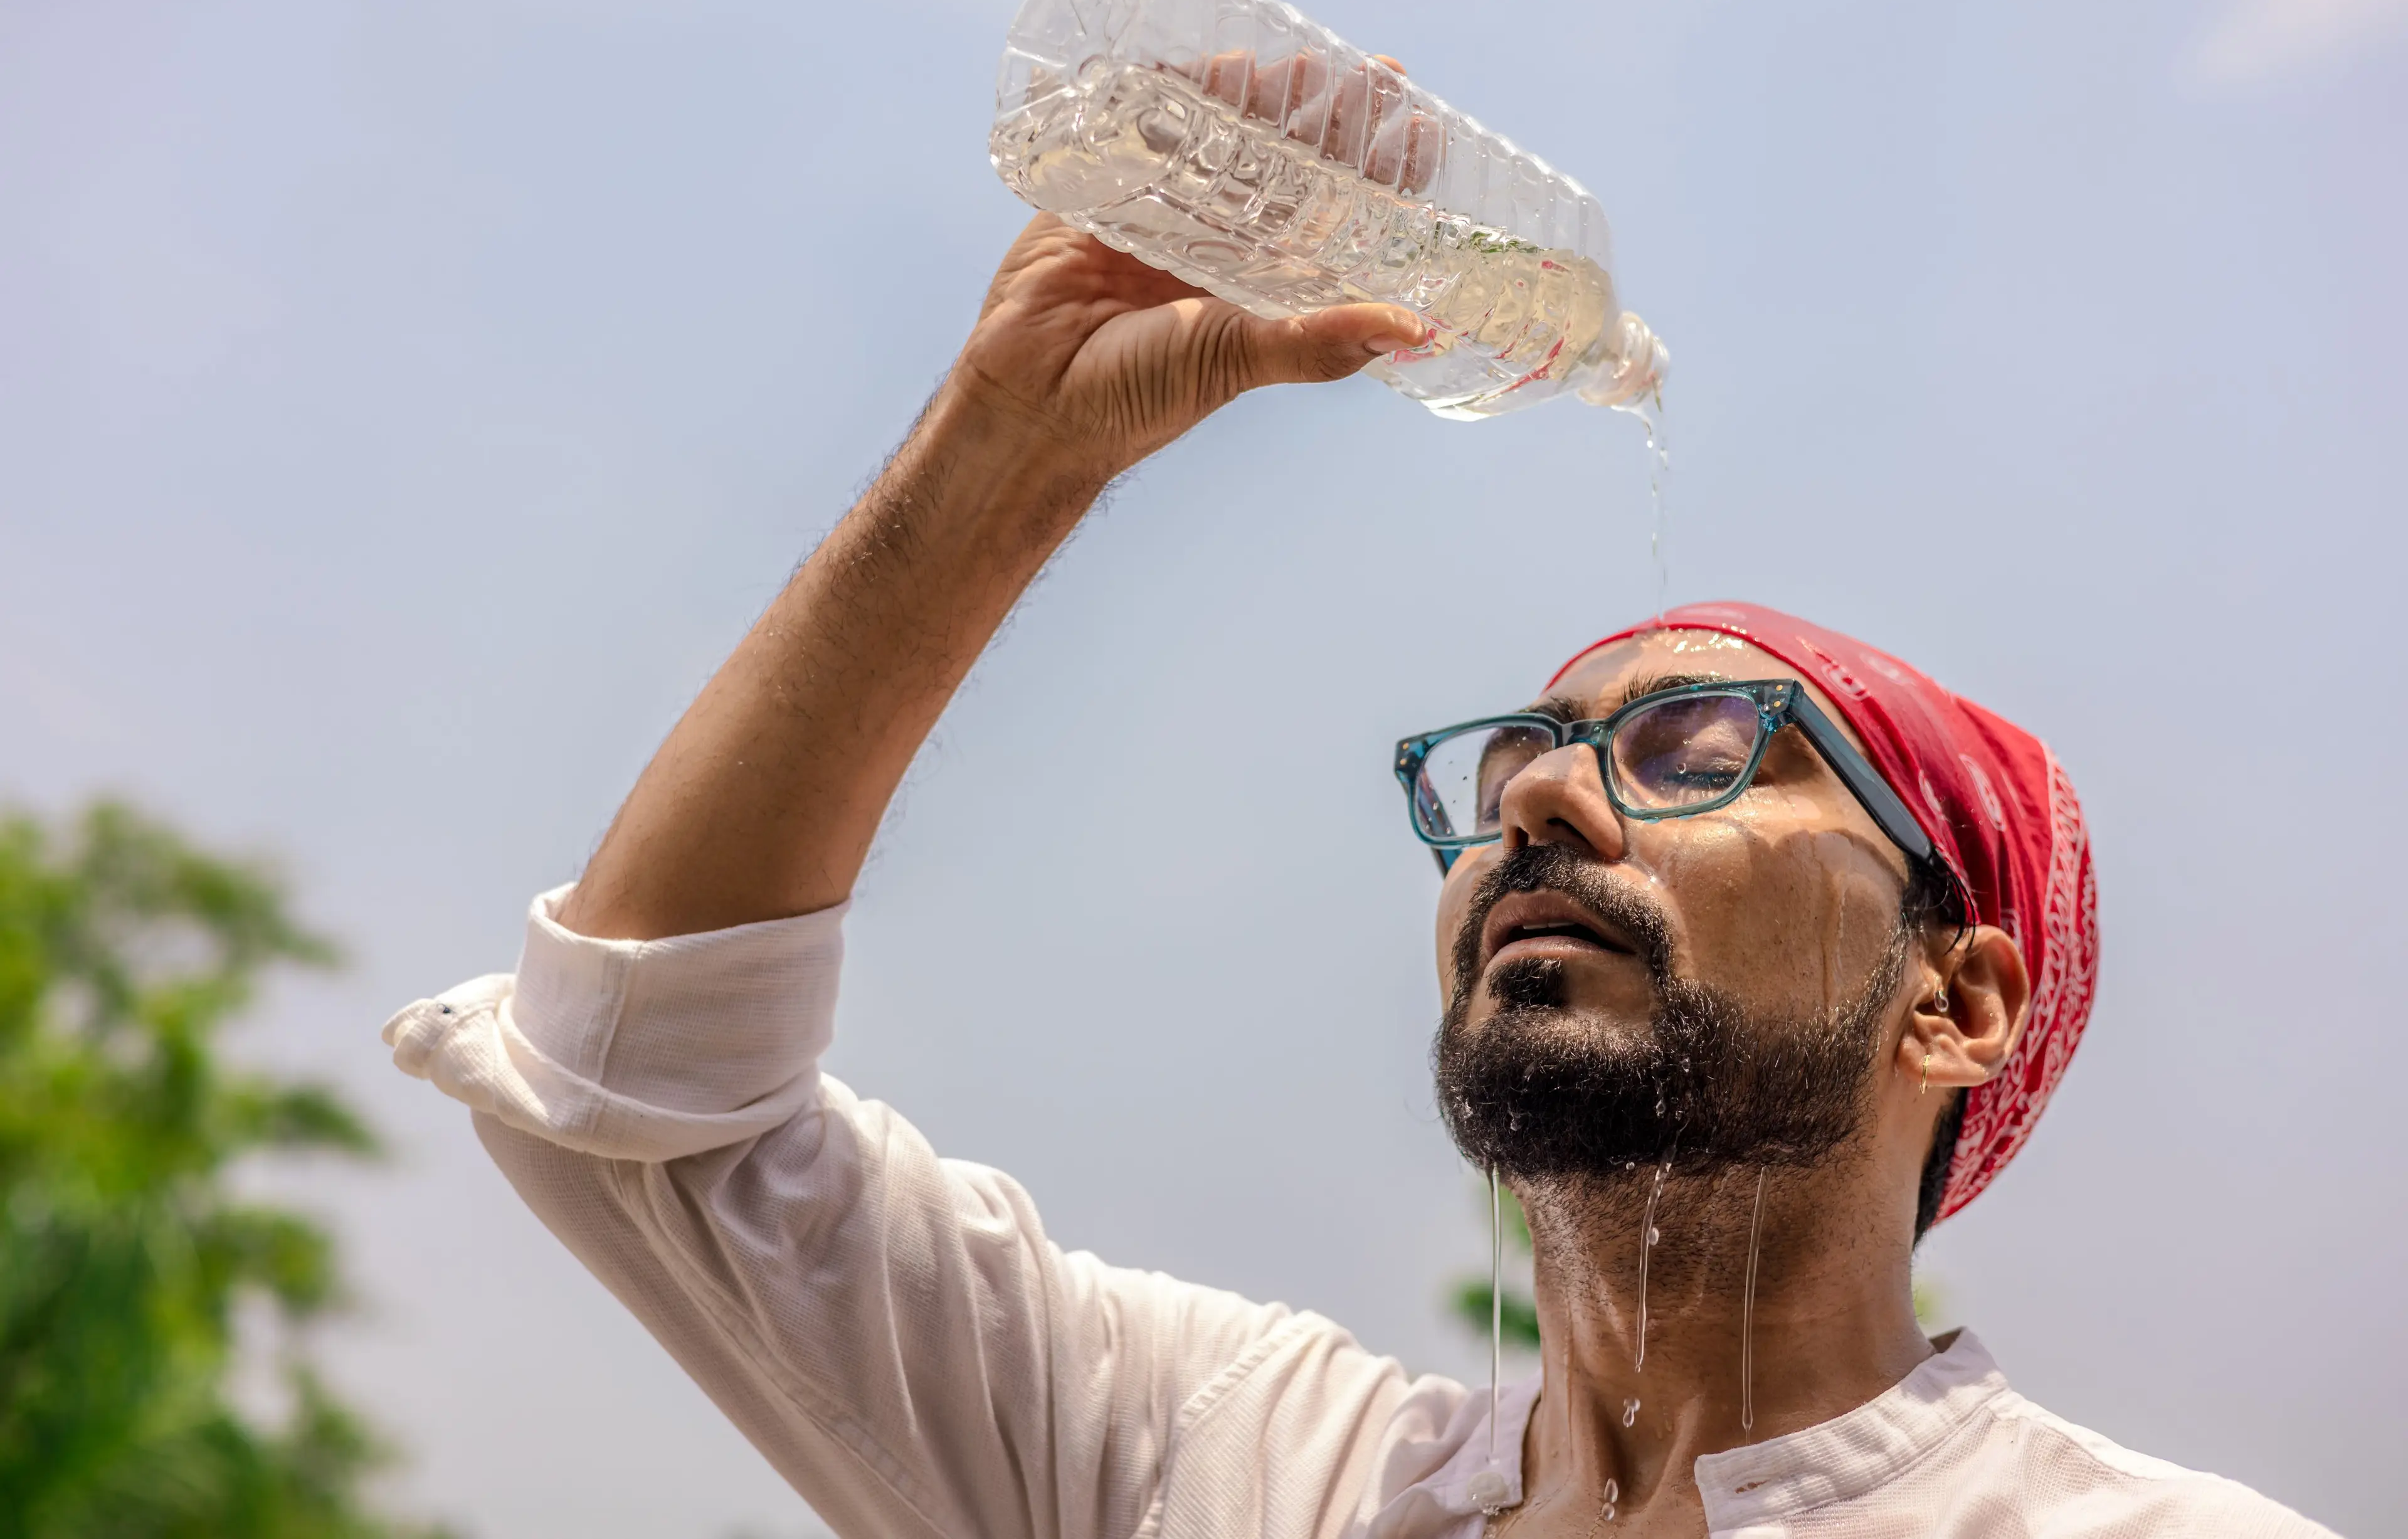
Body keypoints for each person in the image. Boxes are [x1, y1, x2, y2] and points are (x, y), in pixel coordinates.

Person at [385, 214, 2333, 1538]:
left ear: (1956, 997)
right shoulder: (1231, 1463)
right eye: (1517, 768)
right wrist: (1008, 450)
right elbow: (629, 1092)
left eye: (1693, 753)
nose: (1546, 808)